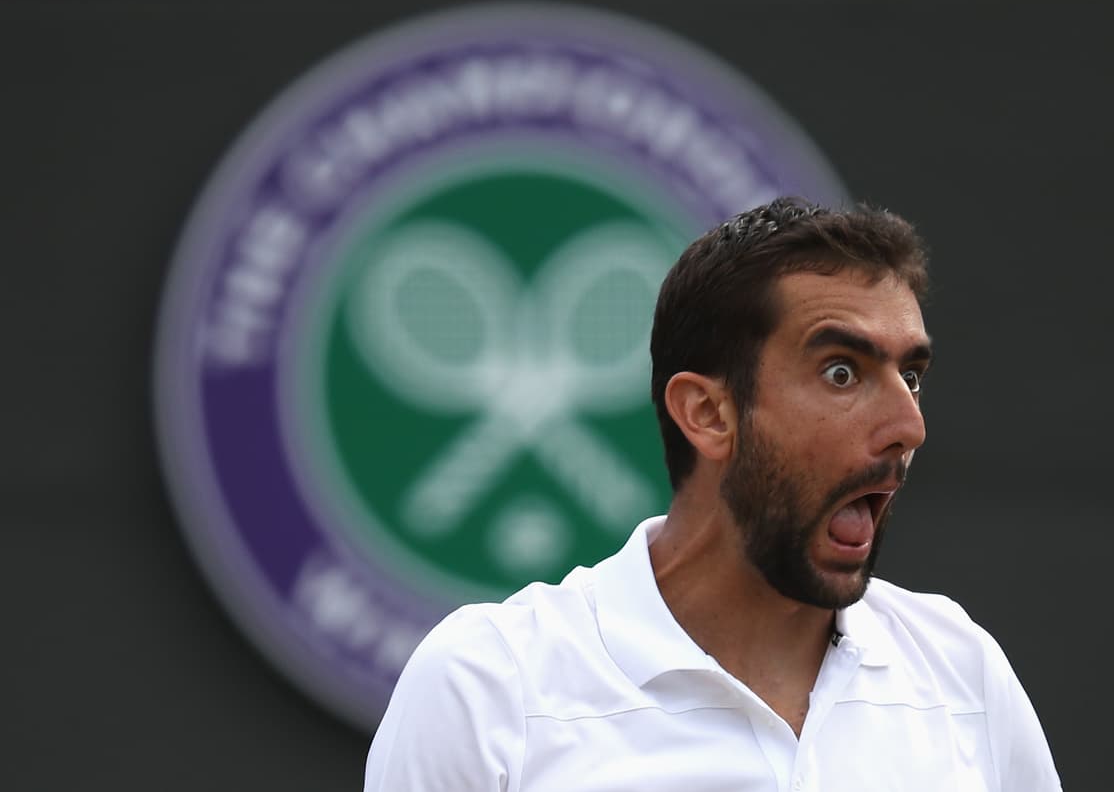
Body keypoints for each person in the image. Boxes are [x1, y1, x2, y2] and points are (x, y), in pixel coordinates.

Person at [364, 197, 1062, 791]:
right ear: (707, 413)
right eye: (842, 373)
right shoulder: (486, 687)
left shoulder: (963, 672)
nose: (909, 426)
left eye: (910, 376)